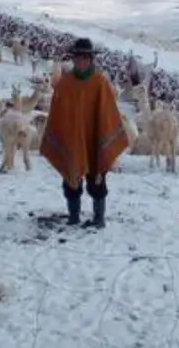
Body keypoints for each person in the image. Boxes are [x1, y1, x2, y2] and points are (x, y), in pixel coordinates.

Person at [40, 37, 129, 228]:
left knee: (97, 178)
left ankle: (98, 218)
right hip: (71, 140)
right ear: (73, 58)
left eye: (85, 57)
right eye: (78, 57)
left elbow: (108, 114)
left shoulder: (100, 83)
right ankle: (74, 216)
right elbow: (58, 115)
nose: (81, 61)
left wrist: (105, 138)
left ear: (91, 59)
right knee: (70, 178)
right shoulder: (65, 84)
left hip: (95, 139)